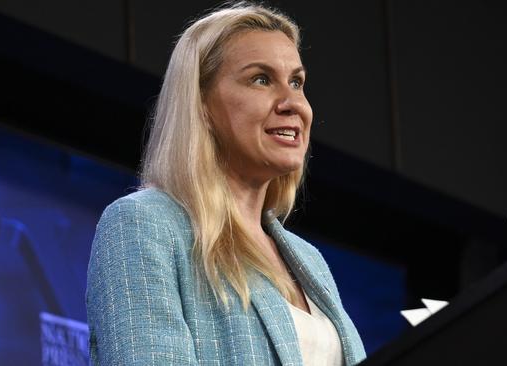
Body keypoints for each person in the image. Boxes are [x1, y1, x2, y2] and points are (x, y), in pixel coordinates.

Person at [86, 2, 366, 365]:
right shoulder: (143, 226)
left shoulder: (310, 262)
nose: (292, 102)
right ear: (201, 104)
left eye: (296, 82)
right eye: (261, 79)